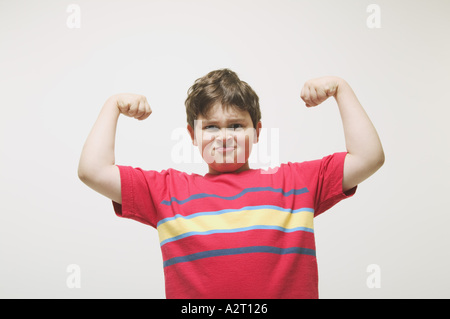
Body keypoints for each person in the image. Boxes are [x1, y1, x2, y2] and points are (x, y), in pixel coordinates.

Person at [78, 69, 384, 298]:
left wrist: (341, 89)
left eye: (236, 125)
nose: (224, 136)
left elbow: (368, 157)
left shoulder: (296, 181)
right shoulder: (167, 191)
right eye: (211, 126)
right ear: (193, 135)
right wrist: (112, 105)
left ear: (257, 131)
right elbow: (92, 170)